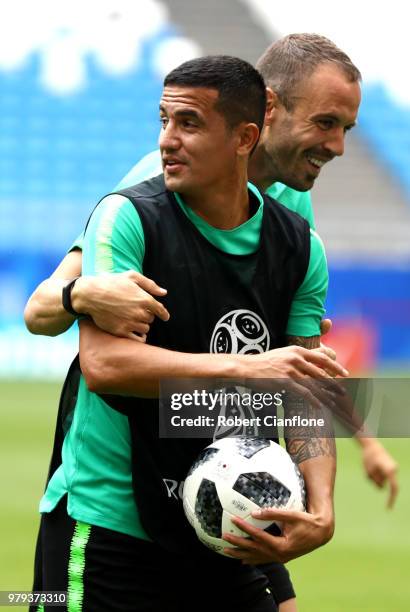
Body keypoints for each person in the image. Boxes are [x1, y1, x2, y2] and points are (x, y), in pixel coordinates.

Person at [24, 34, 398, 611]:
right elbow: (41, 311)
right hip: (123, 491)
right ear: (267, 110)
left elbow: (295, 371)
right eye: (327, 123)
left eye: (347, 128)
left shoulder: (293, 219)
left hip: (225, 463)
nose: (339, 145)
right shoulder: (158, 184)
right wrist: (81, 292)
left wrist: (353, 454)